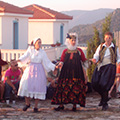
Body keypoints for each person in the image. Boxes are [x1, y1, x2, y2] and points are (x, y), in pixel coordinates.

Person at [17, 37, 56, 112]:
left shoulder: (42, 52)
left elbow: (47, 61)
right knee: (26, 85)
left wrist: (54, 66)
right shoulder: (30, 50)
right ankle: (27, 103)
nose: (39, 44)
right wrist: (19, 59)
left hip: (39, 70)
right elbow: (25, 56)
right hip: (30, 69)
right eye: (38, 42)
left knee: (38, 87)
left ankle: (35, 106)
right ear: (34, 44)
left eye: (40, 42)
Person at [51, 33, 88, 111]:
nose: (73, 42)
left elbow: (84, 61)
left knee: (76, 88)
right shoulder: (65, 51)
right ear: (69, 41)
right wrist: (60, 64)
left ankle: (74, 105)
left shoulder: (79, 51)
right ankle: (61, 105)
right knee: (63, 88)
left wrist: (86, 73)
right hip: (66, 73)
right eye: (72, 40)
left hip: (77, 73)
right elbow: (62, 60)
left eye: (75, 40)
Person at [91, 32, 120, 110]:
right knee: (94, 83)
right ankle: (105, 97)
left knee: (104, 84)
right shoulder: (101, 46)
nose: (107, 39)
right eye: (106, 38)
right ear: (104, 38)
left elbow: (118, 58)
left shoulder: (115, 48)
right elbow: (96, 55)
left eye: (109, 38)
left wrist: (118, 63)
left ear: (112, 39)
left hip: (110, 67)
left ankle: (104, 103)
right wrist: (95, 59)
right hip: (100, 66)